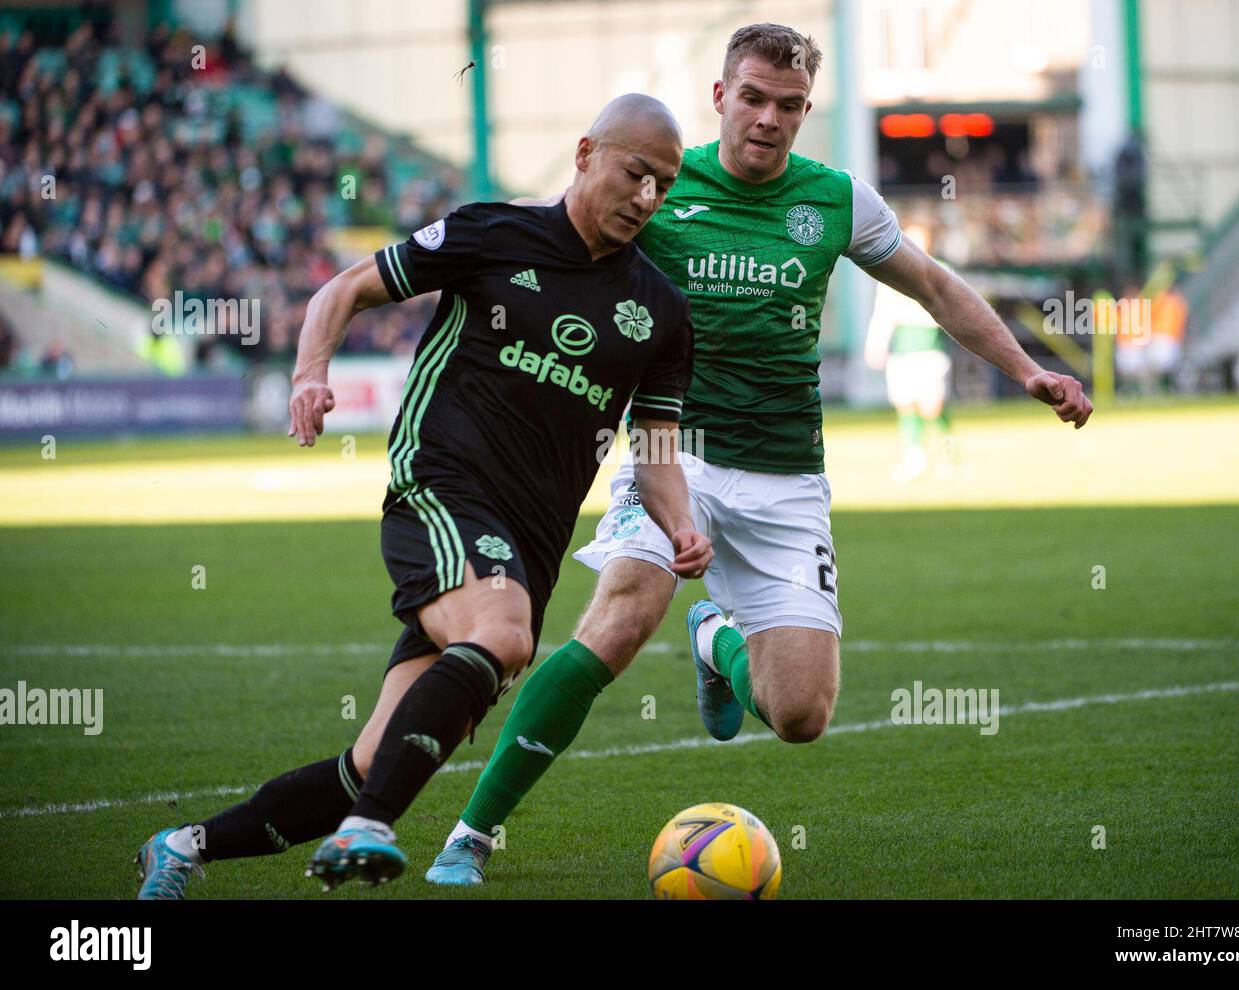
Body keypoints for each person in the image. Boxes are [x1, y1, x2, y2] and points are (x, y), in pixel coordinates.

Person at [427, 22, 1092, 886]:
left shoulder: (838, 199)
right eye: (752, 98)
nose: (769, 119)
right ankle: (471, 836)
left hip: (788, 476)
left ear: (806, 111)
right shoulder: (661, 185)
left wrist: (1029, 369)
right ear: (720, 97)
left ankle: (715, 643)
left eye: (789, 105)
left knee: (801, 714)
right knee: (623, 617)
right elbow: (555, 242)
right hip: (677, 456)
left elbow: (933, 286)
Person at [134, 94, 711, 898]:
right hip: (438, 490)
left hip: (529, 546)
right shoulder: (490, 233)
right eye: (636, 173)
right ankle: (369, 832)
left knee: (374, 760)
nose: (648, 197)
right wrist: (309, 376)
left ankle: (184, 845)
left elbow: (653, 449)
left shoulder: (660, 310)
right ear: (585, 154)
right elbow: (344, 290)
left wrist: (680, 524)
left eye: (665, 185)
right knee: (505, 634)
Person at [865, 223, 955, 483]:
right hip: (902, 347)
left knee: (932, 406)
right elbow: (883, 313)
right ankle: (914, 457)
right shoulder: (890, 272)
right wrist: (876, 344)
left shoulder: (940, 269)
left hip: (929, 347)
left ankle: (948, 453)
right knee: (906, 404)